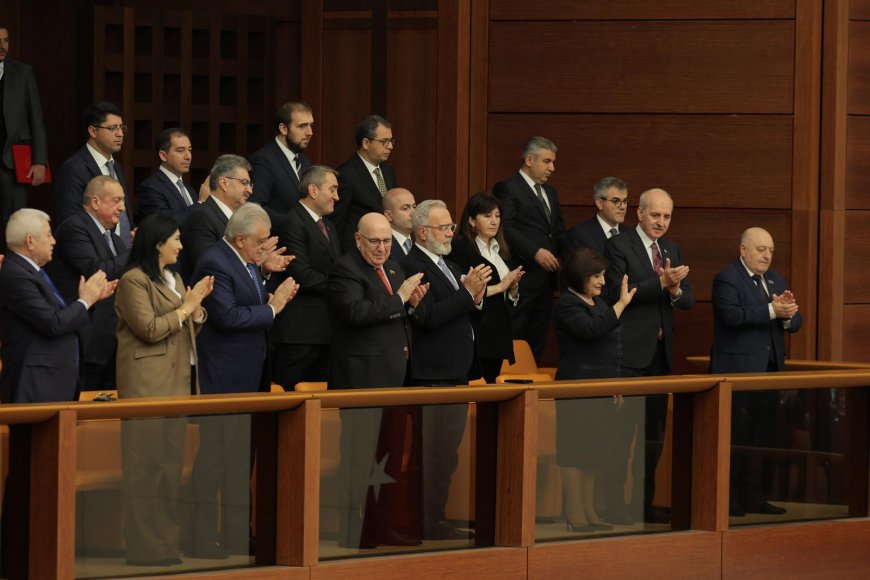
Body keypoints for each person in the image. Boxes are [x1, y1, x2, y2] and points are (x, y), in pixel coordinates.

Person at [188, 203, 298, 558]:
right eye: (261, 241)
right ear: (240, 238)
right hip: (225, 380)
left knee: (240, 463)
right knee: (214, 462)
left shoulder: (245, 261)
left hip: (250, 377)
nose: (266, 246)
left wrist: (265, 283)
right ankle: (203, 538)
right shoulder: (214, 262)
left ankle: (237, 535)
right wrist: (272, 307)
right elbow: (228, 316)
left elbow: (245, 299)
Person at [114, 214, 214, 566]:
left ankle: (166, 544)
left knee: (171, 469)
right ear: (157, 243)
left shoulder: (174, 277)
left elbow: (184, 327)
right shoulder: (133, 281)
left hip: (178, 384)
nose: (181, 245)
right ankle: (144, 548)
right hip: (147, 386)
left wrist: (196, 310)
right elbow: (149, 328)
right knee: (145, 469)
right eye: (175, 239)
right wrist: (187, 308)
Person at [328, 212, 427, 549]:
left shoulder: (395, 268)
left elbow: (394, 313)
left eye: (386, 241)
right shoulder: (345, 269)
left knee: (388, 461)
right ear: (358, 239)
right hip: (361, 384)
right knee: (359, 461)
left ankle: (382, 527)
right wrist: (399, 299)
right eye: (375, 241)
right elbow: (356, 313)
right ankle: (352, 531)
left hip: (395, 381)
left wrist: (410, 305)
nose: (382, 248)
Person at [604, 187, 695, 522]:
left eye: (667, 216)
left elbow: (688, 300)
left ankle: (642, 505)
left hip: (659, 357)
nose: (661, 222)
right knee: (620, 438)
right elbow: (618, 292)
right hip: (628, 354)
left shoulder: (672, 248)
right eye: (655, 215)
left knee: (653, 438)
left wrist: (674, 289)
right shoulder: (618, 245)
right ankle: (613, 506)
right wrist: (659, 284)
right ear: (638, 213)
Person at [401, 199, 490, 540]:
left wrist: (476, 295)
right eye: (444, 227)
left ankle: (436, 516)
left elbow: (466, 310)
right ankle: (425, 520)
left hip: (456, 370)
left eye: (451, 226)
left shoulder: (450, 264)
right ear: (422, 232)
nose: (451, 232)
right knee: (432, 455)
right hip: (432, 372)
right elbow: (430, 317)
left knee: (447, 454)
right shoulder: (413, 265)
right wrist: (468, 294)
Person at [711, 226, 803, 517]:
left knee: (760, 439)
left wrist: (787, 315)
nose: (767, 255)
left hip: (769, 372)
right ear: (743, 250)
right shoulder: (727, 278)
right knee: (735, 439)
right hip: (737, 373)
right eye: (761, 249)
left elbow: (796, 321)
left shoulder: (776, 279)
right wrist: (774, 311)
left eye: (771, 250)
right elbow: (731, 315)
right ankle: (729, 500)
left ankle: (753, 497)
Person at [554, 248, 635, 532]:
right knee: (573, 453)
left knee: (592, 453)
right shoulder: (567, 304)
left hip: (601, 387)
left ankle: (589, 511)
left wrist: (615, 385)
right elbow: (591, 330)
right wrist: (621, 304)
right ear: (580, 276)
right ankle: (574, 513)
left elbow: (612, 347)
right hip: (576, 388)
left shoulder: (598, 303)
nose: (602, 282)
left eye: (603, 276)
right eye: (596, 276)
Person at [0, 208, 114, 403]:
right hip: (35, 384)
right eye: (48, 235)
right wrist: (85, 300)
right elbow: (53, 323)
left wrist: (89, 301)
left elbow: (56, 318)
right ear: (30, 241)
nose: (54, 241)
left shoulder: (33, 272)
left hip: (51, 382)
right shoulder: (16, 274)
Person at [47, 176, 129, 390]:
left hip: (112, 338)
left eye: (123, 201)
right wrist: (134, 252)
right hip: (86, 336)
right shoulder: (74, 228)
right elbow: (96, 271)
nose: (122, 207)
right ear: (95, 202)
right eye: (117, 200)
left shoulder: (115, 239)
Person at [493, 136, 565, 361]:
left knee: (538, 336)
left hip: (546, 279)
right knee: (516, 333)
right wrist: (535, 251)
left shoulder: (550, 192)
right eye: (547, 161)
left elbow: (558, 231)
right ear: (529, 159)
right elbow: (505, 226)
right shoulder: (508, 187)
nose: (552, 168)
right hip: (521, 276)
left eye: (553, 162)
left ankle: (531, 387)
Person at [271, 165, 341, 390]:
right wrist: (342, 287)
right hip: (299, 333)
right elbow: (300, 273)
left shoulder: (328, 225)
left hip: (324, 330)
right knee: (289, 399)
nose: (337, 197)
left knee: (317, 403)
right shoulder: (292, 222)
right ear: (313, 190)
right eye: (332, 189)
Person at [181, 154, 291, 282]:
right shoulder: (202, 217)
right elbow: (210, 268)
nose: (250, 190)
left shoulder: (239, 220)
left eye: (250, 184)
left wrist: (261, 267)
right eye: (244, 183)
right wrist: (251, 258)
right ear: (224, 183)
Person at [451, 192, 523, 383]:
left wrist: (513, 289)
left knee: (493, 390)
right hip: (478, 331)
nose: (494, 221)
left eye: (497, 216)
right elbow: (464, 291)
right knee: (477, 388)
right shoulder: (460, 248)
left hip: (499, 332)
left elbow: (506, 292)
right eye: (487, 215)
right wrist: (501, 286)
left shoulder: (501, 250)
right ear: (472, 221)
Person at [55, 101, 133, 247]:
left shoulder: (117, 167)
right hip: (94, 253)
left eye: (122, 128)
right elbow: (71, 221)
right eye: (112, 128)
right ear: (92, 131)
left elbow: (124, 214)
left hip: (123, 250)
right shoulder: (73, 169)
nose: (120, 134)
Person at [0, 23, 47, 252]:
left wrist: (39, 161)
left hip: (12, 164)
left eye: (6, 40)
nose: (2, 46)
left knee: (14, 226)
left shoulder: (22, 72)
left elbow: (36, 119)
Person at [331, 115, 397, 250]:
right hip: (358, 252)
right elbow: (337, 222)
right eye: (384, 141)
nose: (390, 146)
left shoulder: (388, 170)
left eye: (391, 141)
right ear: (366, 143)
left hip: (385, 248)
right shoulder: (346, 174)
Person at [249, 101, 314, 222]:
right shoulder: (263, 160)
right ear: (283, 128)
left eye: (311, 125)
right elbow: (256, 207)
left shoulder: (305, 161)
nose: (310, 132)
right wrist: (291, 226)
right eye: (302, 126)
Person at [136, 128, 205, 223]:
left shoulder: (190, 190)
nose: (188, 156)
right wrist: (200, 203)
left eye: (190, 150)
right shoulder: (150, 187)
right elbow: (165, 225)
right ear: (163, 155)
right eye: (180, 151)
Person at [565, 177, 628, 256]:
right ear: (599, 203)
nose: (623, 207)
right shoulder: (579, 235)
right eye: (615, 201)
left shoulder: (631, 234)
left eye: (625, 201)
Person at [383, 187, 416, 256]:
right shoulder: (383, 247)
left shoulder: (419, 245)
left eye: (414, 207)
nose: (413, 213)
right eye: (405, 208)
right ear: (389, 215)